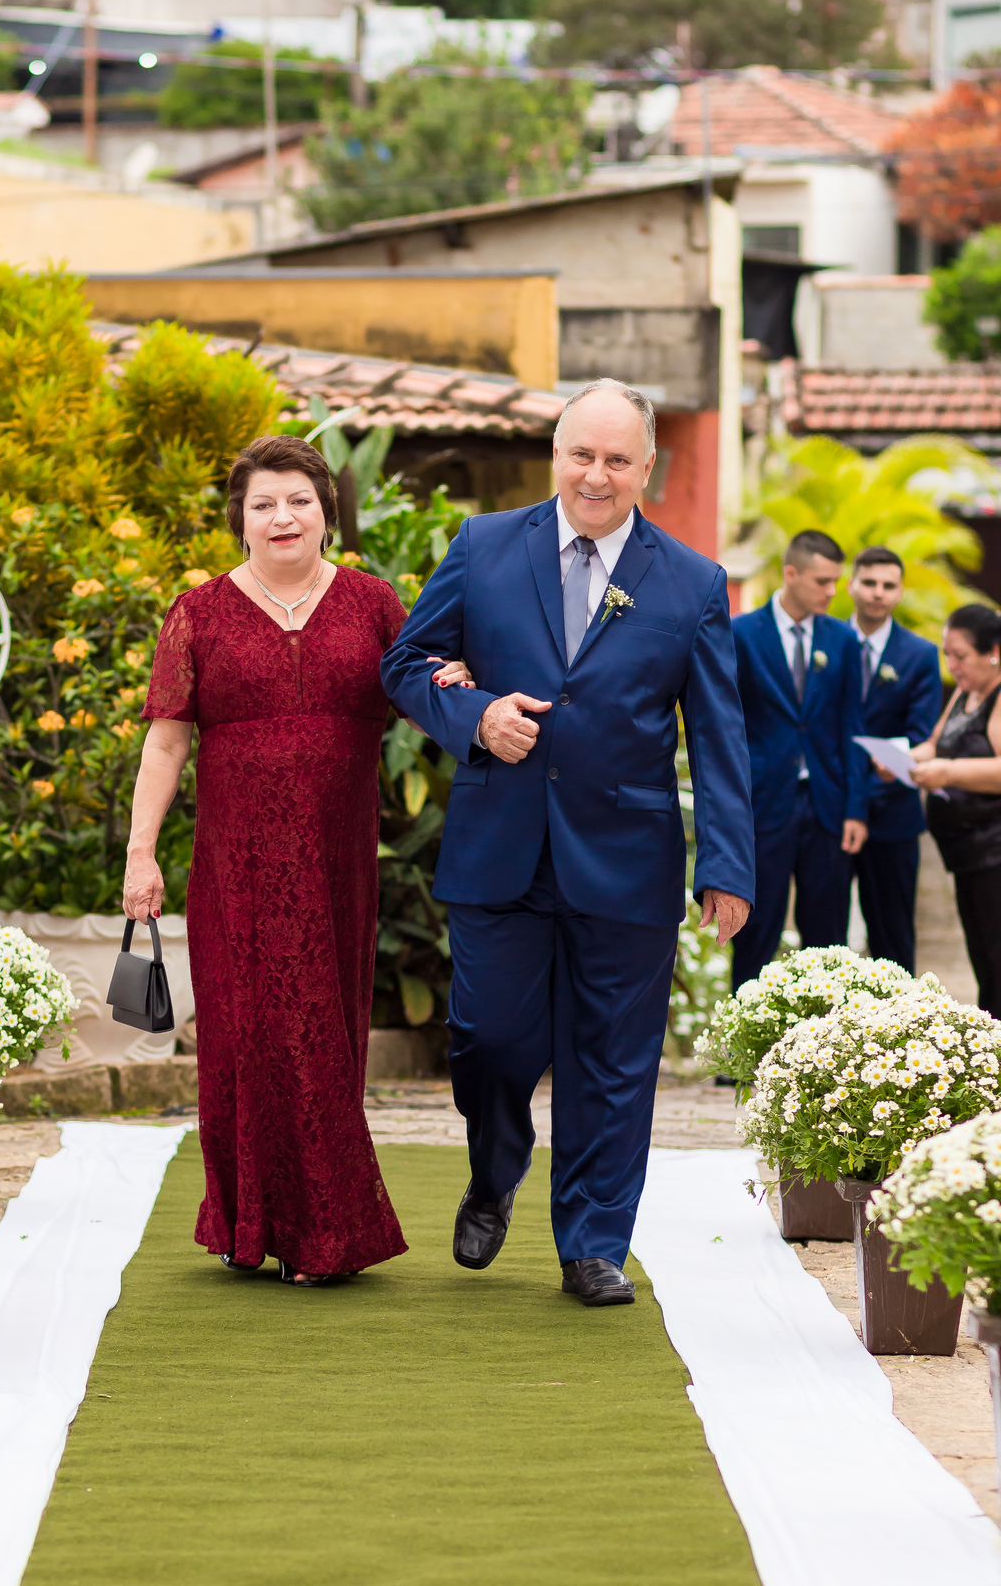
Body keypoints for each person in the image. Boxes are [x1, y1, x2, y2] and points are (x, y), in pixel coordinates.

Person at [380, 378, 754, 1308]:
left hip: (628, 860)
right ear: (556, 454)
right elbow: (406, 663)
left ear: (646, 468)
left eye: (617, 459)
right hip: (497, 845)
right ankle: (495, 1167)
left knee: (614, 1062)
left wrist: (728, 865)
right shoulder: (483, 546)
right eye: (582, 454)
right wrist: (474, 715)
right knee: (488, 1042)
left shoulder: (694, 583)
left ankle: (592, 1243)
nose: (596, 474)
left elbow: (720, 736)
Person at [122, 434, 471, 1287]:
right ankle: (250, 1225)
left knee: (323, 1033)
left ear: (326, 513)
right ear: (240, 520)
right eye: (264, 504)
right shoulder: (198, 612)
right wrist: (141, 854)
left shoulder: (373, 603)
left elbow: (420, 695)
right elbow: (166, 743)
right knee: (245, 1040)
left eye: (299, 501)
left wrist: (457, 683)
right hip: (235, 869)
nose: (283, 517)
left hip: (337, 867)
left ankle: (322, 1232)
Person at [730, 531, 869, 992]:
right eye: (822, 581)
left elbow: (852, 727)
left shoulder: (842, 639)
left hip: (826, 807)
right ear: (791, 574)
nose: (833, 591)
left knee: (827, 940)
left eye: (836, 581)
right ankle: (743, 1038)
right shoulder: (742, 634)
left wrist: (855, 808)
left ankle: (823, 1037)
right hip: (763, 805)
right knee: (755, 934)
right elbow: (727, 725)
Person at [847, 547, 942, 973]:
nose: (878, 593)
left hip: (893, 815)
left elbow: (920, 737)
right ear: (851, 585)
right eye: (869, 582)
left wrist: (867, 795)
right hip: (832, 815)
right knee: (824, 936)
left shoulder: (920, 654)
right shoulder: (827, 643)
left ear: (900, 592)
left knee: (894, 942)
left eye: (888, 585)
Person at [911, 604, 1001, 1018]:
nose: (952, 665)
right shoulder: (965, 693)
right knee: (982, 957)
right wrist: (902, 758)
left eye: (960, 656)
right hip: (965, 855)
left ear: (993, 652)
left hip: (994, 852)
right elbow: (936, 744)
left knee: (997, 961)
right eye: (947, 654)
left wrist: (948, 772)